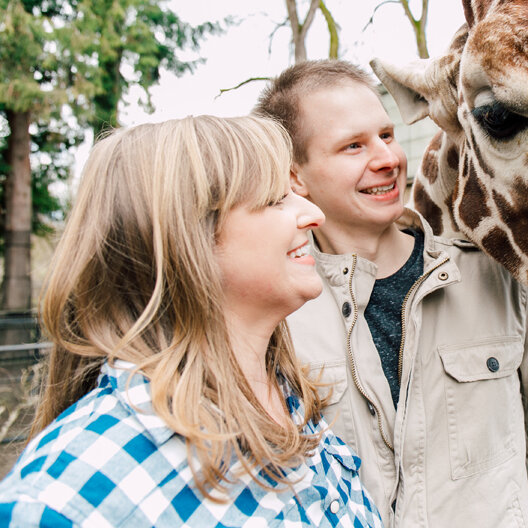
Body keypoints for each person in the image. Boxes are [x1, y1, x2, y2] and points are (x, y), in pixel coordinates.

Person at [254, 61, 528, 527]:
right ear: (296, 177)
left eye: (387, 135)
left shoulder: (495, 275)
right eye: (353, 146)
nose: (387, 158)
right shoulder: (275, 313)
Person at [0, 115, 383, 527]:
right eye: (275, 199)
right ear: (189, 237)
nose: (313, 214)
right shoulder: (67, 497)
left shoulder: (290, 399)